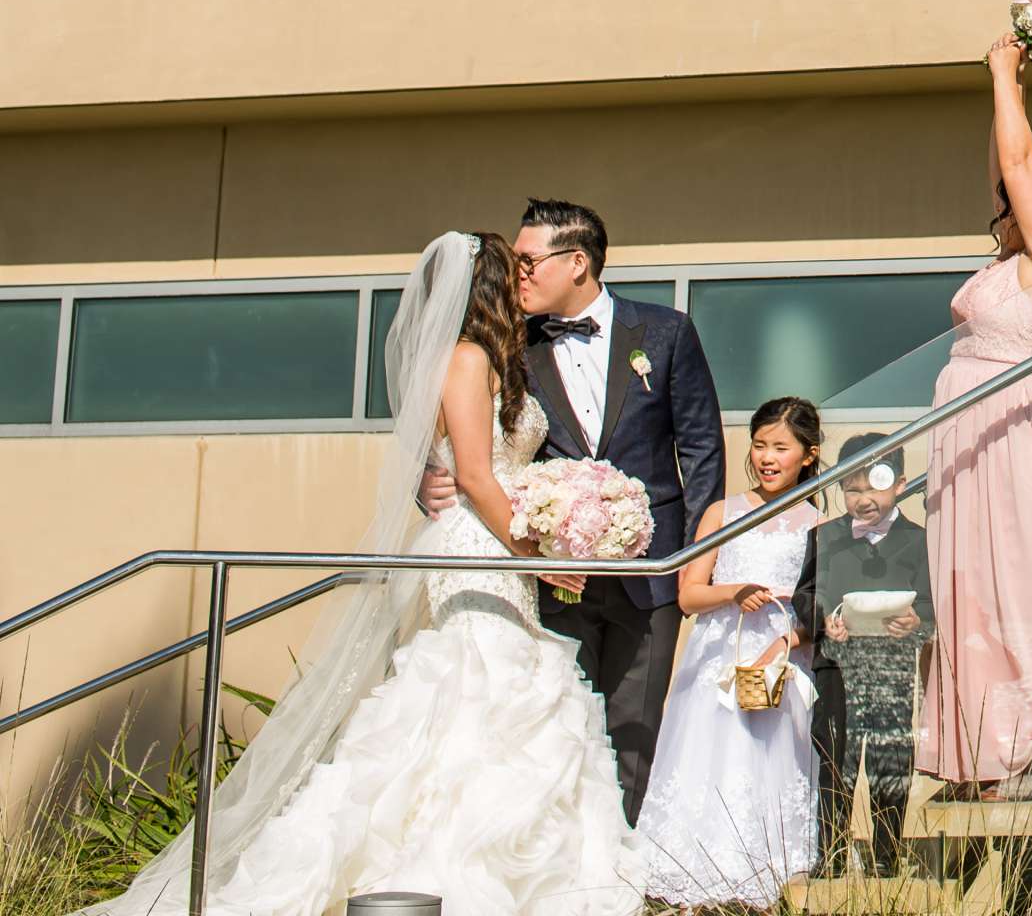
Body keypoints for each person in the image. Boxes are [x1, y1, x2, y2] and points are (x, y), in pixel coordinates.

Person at [82, 233, 644, 915]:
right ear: (491, 288)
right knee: (477, 695)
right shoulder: (466, 360)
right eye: (516, 270)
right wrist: (543, 553)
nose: (527, 280)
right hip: (478, 549)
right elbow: (472, 473)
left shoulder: (498, 362)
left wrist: (553, 528)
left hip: (501, 551)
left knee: (494, 701)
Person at [423, 197, 728, 821]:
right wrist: (430, 482)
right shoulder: (507, 347)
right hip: (550, 574)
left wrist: (701, 560)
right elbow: (462, 444)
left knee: (637, 730)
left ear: (579, 262)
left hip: (654, 569)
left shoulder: (667, 333)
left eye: (530, 261)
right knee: (556, 731)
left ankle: (624, 876)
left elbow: (702, 452)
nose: (519, 275)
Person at [918, 36, 1032, 795]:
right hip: (965, 430)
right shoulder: (1006, 262)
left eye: (1015, 192)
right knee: (967, 579)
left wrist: (1001, 75)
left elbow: (1019, 164)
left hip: (1016, 425)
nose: (1003, 196)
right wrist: (1015, 86)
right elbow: (1009, 161)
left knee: (1020, 571)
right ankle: (978, 742)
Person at [637, 396, 825, 908]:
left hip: (780, 657)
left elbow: (823, 605)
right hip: (720, 654)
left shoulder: (815, 521)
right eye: (760, 445)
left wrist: (790, 635)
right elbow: (689, 593)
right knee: (708, 755)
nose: (767, 457)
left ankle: (765, 876)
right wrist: (734, 591)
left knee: (770, 759)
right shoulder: (724, 511)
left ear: (807, 455)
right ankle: (687, 871)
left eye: (780, 447)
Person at [807, 434, 934, 874]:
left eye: (873, 488)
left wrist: (918, 621)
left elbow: (935, 604)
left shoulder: (920, 541)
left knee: (890, 765)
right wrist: (824, 620)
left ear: (900, 484)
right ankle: (832, 853)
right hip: (836, 669)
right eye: (852, 489)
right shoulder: (825, 538)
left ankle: (886, 856)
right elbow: (807, 596)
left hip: (891, 673)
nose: (863, 499)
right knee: (833, 763)